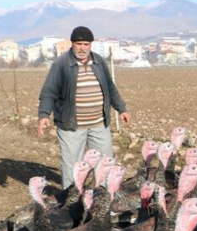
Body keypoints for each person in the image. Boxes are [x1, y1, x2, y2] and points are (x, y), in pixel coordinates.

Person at [37, 26, 131, 188]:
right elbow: (49, 91)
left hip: (99, 123)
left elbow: (110, 87)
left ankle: (104, 198)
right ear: (72, 43)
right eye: (79, 43)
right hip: (71, 125)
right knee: (73, 165)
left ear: (91, 45)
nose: (82, 48)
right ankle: (71, 202)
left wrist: (121, 109)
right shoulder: (61, 64)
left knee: (105, 163)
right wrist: (44, 114)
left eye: (86, 44)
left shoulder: (99, 62)